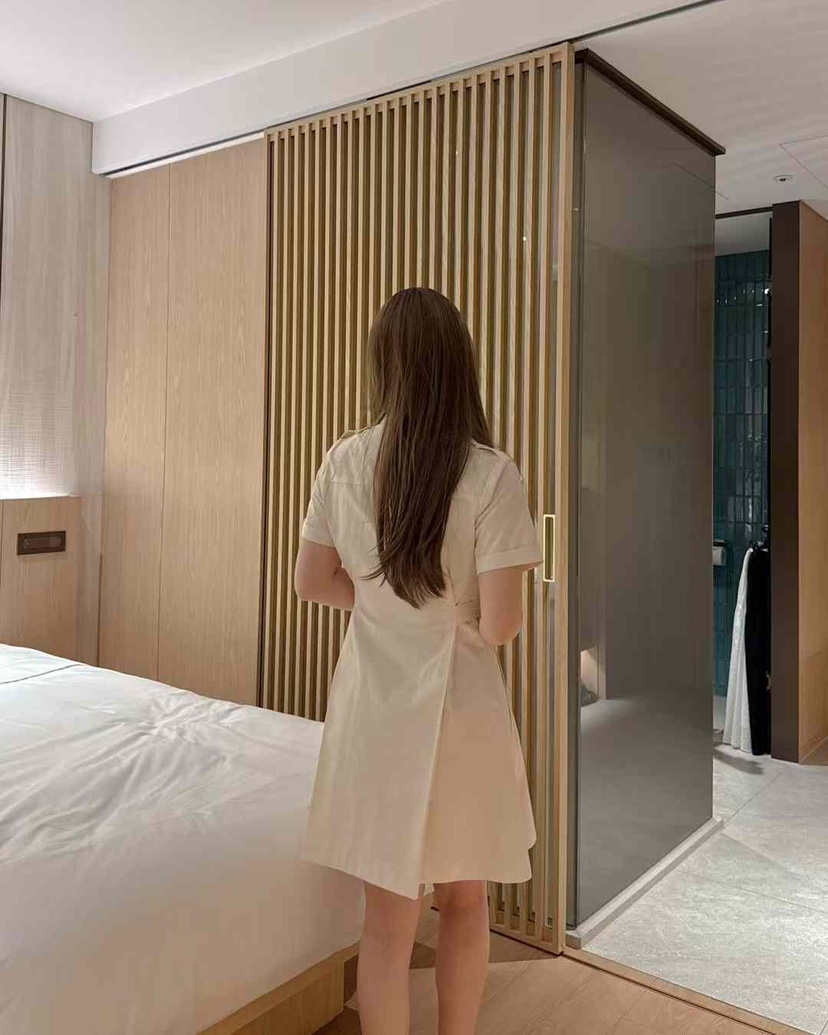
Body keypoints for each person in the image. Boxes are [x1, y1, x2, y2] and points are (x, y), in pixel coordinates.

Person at [294, 287, 540, 1035]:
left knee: (386, 925)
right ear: (461, 366)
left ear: (386, 366)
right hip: (460, 714)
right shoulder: (490, 474)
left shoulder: (343, 459)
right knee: (465, 903)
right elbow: (501, 623)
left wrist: (378, 603)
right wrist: (448, 614)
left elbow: (311, 581)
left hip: (373, 708)